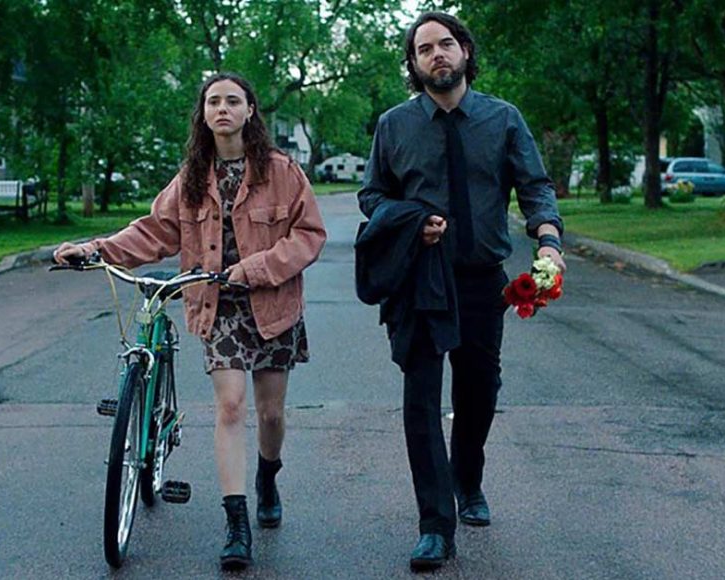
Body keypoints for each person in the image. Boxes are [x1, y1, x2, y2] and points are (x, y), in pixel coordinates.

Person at [54, 72, 326, 571]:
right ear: (203, 113)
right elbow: (153, 232)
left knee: (270, 414)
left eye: (233, 101)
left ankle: (267, 476)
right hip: (216, 305)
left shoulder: (282, 171)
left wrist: (255, 269)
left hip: (273, 305)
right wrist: (95, 249)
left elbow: (308, 235)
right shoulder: (192, 177)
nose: (223, 109)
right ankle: (236, 523)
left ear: (250, 111)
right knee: (230, 406)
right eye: (213, 101)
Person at [356, 12, 566, 571]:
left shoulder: (503, 118)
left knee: (479, 391)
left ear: (465, 51)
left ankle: (467, 477)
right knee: (421, 400)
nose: (437, 55)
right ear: (414, 63)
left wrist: (548, 242)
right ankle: (434, 525)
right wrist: (410, 221)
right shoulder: (395, 125)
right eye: (424, 49)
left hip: (481, 280)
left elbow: (535, 186)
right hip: (419, 281)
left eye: (445, 44)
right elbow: (372, 196)